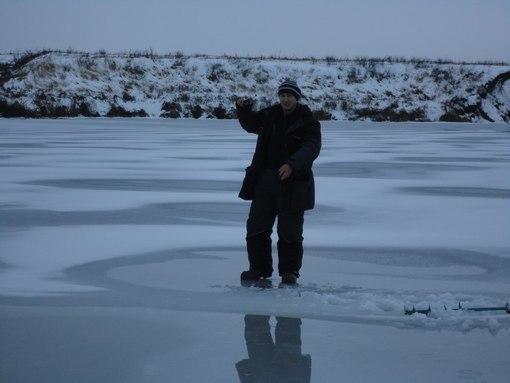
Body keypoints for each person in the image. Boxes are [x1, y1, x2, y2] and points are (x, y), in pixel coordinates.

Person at [236, 79, 321, 285]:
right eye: (282, 95)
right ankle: (258, 269)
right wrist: (243, 109)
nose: (285, 99)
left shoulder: (308, 121)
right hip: (265, 181)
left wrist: (292, 164)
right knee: (256, 227)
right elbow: (251, 124)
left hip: (294, 184)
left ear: (297, 98)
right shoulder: (270, 115)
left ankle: (290, 272)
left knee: (290, 230)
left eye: (289, 96)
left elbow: (311, 147)